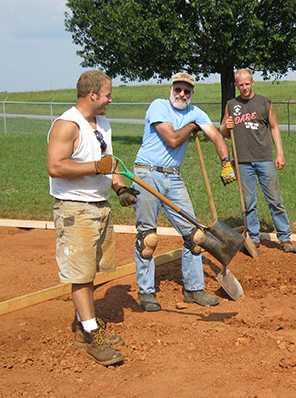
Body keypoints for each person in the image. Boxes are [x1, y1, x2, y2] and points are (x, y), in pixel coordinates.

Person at [47, 70, 138, 366]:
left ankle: (81, 326)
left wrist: (119, 186)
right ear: (92, 95)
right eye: (108, 94)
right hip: (75, 209)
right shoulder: (66, 125)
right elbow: (56, 167)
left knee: (91, 271)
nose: (111, 99)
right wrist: (96, 167)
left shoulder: (103, 124)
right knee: (81, 275)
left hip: (99, 206)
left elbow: (107, 164)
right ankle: (91, 335)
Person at [133, 72, 236, 311]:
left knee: (195, 236)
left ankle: (194, 289)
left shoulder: (197, 112)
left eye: (187, 91)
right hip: (147, 173)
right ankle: (146, 292)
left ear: (192, 94)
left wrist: (225, 162)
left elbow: (217, 136)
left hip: (174, 177)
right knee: (148, 238)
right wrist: (192, 125)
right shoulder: (158, 106)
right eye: (178, 89)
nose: (182, 94)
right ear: (171, 88)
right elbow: (172, 139)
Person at [219, 68, 296, 254]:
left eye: (247, 84)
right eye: (241, 85)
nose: (244, 88)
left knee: (275, 200)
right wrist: (225, 127)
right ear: (236, 85)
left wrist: (280, 153)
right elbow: (222, 132)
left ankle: (285, 237)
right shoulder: (231, 105)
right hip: (242, 161)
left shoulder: (264, 102)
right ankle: (253, 238)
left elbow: (275, 128)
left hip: (264, 159)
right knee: (248, 203)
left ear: (252, 83)